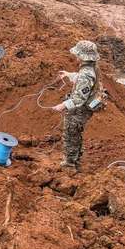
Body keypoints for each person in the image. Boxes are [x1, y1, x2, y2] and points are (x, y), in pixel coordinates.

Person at [51, 40, 101, 171]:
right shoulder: (91, 68)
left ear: (83, 56)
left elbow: (79, 97)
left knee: (71, 135)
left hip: (80, 110)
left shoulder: (86, 74)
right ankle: (76, 159)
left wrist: (62, 105)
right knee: (75, 134)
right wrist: (69, 75)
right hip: (83, 109)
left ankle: (69, 164)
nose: (75, 56)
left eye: (77, 54)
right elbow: (82, 80)